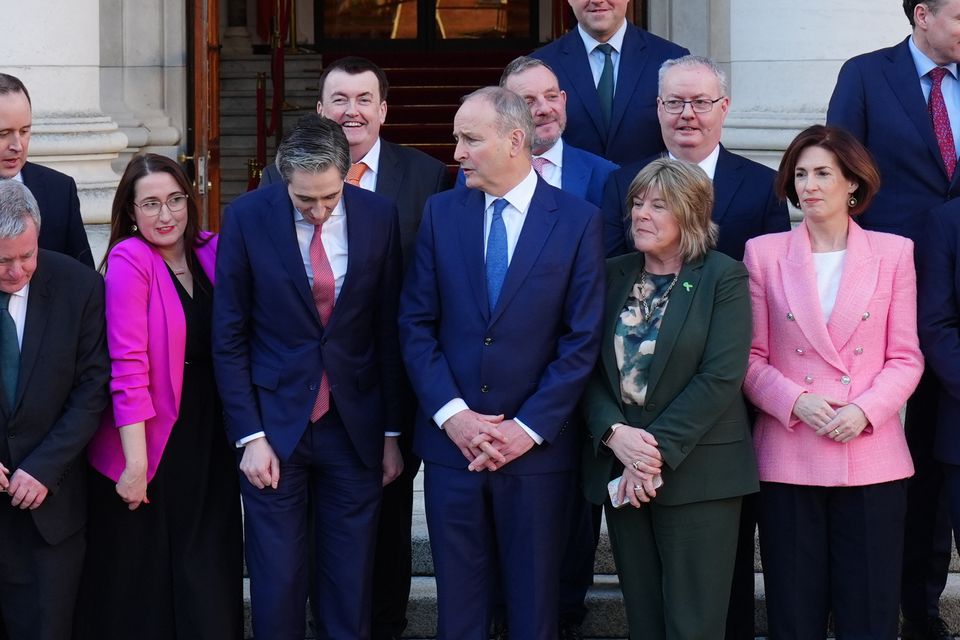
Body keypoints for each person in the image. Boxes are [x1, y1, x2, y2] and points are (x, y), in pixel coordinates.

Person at [399, 86, 604, 640]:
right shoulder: (441, 213)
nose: (457, 152)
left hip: (537, 456)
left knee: (533, 612)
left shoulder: (579, 220)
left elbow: (580, 339)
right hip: (452, 451)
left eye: (470, 139)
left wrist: (528, 429)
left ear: (515, 141)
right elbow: (416, 325)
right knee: (459, 615)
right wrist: (454, 417)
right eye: (457, 139)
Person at [261, 56, 447, 640]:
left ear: (384, 109)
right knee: (308, 540)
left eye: (364, 99)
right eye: (339, 99)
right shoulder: (279, 178)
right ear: (321, 110)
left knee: (385, 530)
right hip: (304, 390)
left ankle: (385, 626)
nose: (352, 111)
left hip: (391, 381)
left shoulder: (426, 175)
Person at [214, 115, 404, 640]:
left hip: (355, 427)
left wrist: (391, 434)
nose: (319, 212)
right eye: (305, 201)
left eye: (329, 197)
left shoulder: (379, 216)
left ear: (347, 175)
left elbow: (388, 331)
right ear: (283, 180)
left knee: (348, 586)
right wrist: (250, 436)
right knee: (277, 583)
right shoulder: (247, 217)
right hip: (274, 430)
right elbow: (229, 337)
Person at [742, 125, 923, 639]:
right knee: (793, 614)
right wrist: (796, 401)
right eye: (800, 174)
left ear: (853, 184)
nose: (809, 185)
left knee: (868, 614)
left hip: (871, 456)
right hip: (789, 452)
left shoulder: (893, 253)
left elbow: (906, 357)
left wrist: (863, 410)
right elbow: (750, 358)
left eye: (823, 173)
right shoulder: (764, 253)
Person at [580, 158, 757, 639]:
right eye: (637, 203)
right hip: (622, 470)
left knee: (693, 623)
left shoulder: (724, 276)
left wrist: (648, 456)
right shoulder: (610, 274)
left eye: (658, 205)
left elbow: (720, 377)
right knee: (645, 618)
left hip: (699, 475)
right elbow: (586, 369)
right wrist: (615, 436)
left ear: (691, 214)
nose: (641, 214)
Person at [826, 3, 960, 635]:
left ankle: (924, 600)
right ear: (923, 14)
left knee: (943, 441)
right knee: (892, 443)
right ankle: (892, 594)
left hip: (955, 287)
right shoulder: (866, 75)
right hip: (887, 286)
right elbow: (836, 172)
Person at [76, 154, 242, 639]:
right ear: (130, 211)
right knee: (148, 580)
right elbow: (128, 368)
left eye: (174, 200)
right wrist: (134, 464)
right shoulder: (130, 260)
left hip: (211, 428)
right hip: (151, 434)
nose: (165, 215)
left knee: (210, 563)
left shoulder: (212, 250)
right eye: (150, 204)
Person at [0, 179, 109, 640]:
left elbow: (93, 387)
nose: (18, 270)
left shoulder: (79, 286)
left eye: (27, 255)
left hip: (50, 505)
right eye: (3, 260)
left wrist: (44, 467)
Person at [603, 55, 789, 260]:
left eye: (701, 102)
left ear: (724, 108)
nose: (687, 113)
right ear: (659, 108)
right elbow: (614, 274)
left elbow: (775, 271)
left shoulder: (764, 185)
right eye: (674, 102)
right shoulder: (622, 183)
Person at [531, 0, 688, 165]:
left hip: (647, 188)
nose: (597, 1)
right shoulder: (539, 65)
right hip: (571, 190)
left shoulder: (672, 59)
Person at [0, 74, 93, 268]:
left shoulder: (60, 190)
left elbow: (84, 280)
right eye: (3, 134)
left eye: (24, 131)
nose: (17, 145)